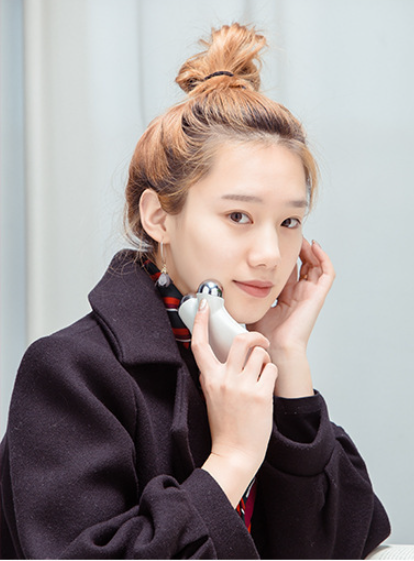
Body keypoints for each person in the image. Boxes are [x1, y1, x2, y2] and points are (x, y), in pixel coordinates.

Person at [0, 23, 390, 559]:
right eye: (238, 216)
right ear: (159, 216)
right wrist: (231, 461)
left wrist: (289, 364)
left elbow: (343, 544)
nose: (270, 254)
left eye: (289, 222)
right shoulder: (71, 371)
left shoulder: (246, 359)